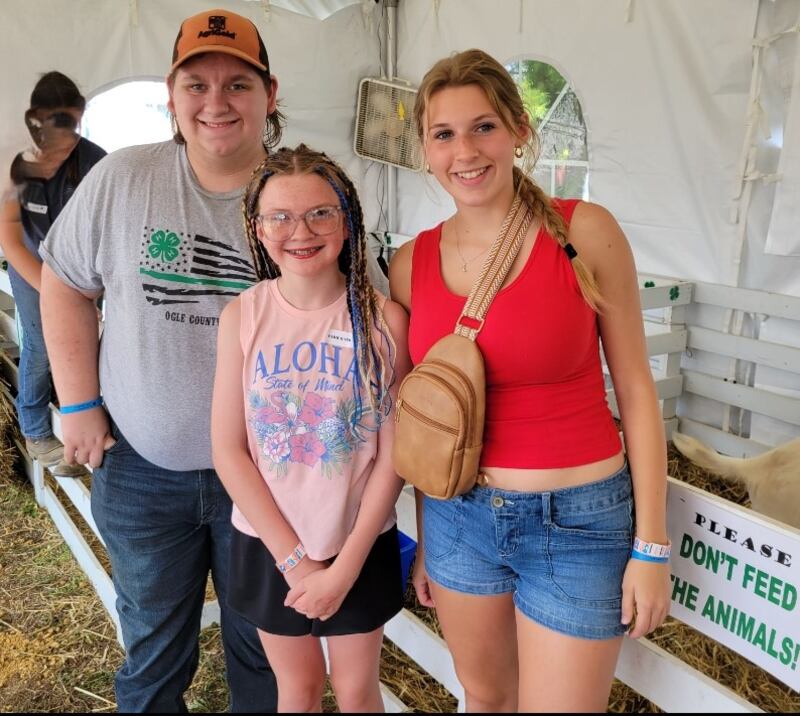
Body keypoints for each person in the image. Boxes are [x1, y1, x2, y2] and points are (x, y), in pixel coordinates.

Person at [389, 49, 671, 713]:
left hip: (578, 522)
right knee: (485, 699)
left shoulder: (585, 232)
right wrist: (430, 539)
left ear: (519, 129)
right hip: (459, 520)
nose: (466, 150)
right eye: (444, 134)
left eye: (484, 127)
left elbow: (635, 389)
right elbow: (429, 419)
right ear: (426, 150)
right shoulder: (410, 262)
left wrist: (651, 548)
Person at [38, 9, 294, 712]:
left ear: (270, 94)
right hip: (144, 468)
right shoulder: (125, 178)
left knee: (267, 648)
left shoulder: (301, 191)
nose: (216, 102)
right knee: (153, 648)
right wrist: (80, 401)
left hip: (272, 474)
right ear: (171, 93)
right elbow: (64, 281)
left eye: (238, 84)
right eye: (197, 83)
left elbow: (361, 308)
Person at [211, 144, 410, 713]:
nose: (300, 230)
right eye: (280, 216)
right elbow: (228, 449)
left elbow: (394, 456)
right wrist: (295, 561)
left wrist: (344, 566)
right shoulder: (243, 316)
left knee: (355, 690)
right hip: (270, 543)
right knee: (295, 690)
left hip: (359, 541)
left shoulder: (383, 320)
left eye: (320, 212)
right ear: (258, 227)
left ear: (346, 221)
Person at [0, 72, 106, 476]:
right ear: (35, 120)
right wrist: (51, 287)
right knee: (43, 341)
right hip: (32, 256)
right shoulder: (18, 166)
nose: (64, 137)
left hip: (84, 262)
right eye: (53, 125)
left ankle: (89, 419)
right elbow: (8, 232)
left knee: (97, 336)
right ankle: (36, 430)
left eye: (71, 125)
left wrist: (92, 293)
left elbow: (106, 229)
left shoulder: (97, 163)